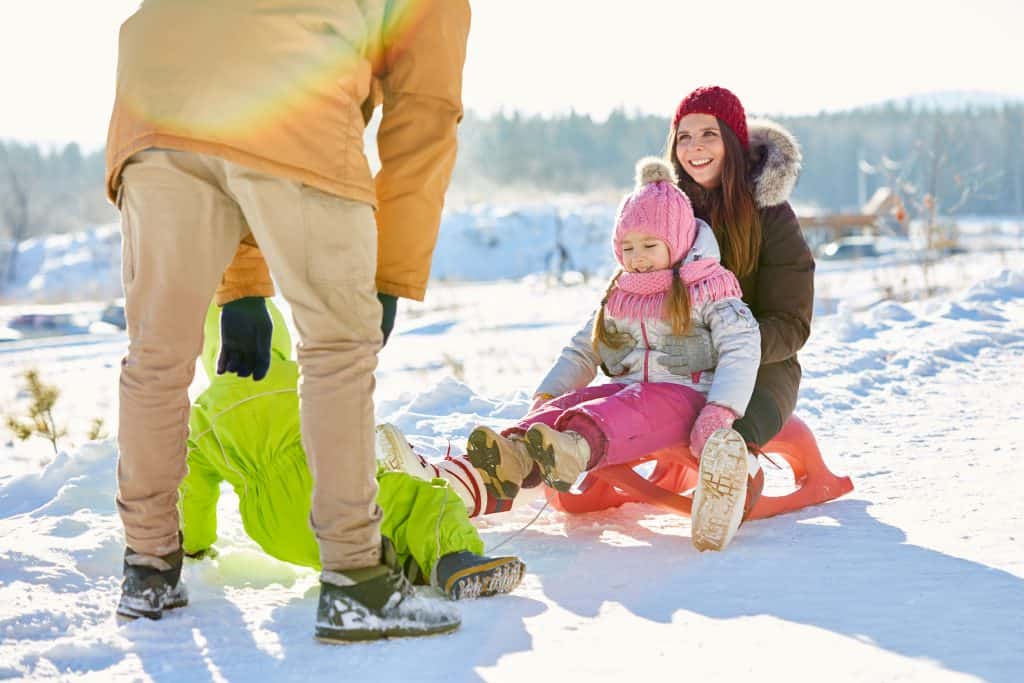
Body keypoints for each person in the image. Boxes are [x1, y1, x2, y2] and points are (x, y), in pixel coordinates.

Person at [107, 0, 471, 641]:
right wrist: (391, 272)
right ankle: (357, 581)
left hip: (155, 98)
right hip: (294, 92)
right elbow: (424, 115)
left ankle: (148, 569)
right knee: (337, 348)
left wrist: (241, 286)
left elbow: (227, 77)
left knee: (157, 354)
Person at [382, 157, 763, 552]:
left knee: (624, 407)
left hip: (685, 396)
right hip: (628, 390)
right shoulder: (621, 293)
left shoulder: (708, 289)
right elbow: (584, 348)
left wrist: (721, 409)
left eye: (649, 245)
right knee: (575, 404)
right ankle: (463, 475)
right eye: (627, 247)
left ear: (679, 242)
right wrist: (549, 396)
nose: (637, 257)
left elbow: (742, 348)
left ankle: (573, 449)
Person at [179, 302, 524, 608]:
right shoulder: (303, 376)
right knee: (425, 502)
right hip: (334, 491)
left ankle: (400, 563)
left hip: (274, 529)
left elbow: (194, 492)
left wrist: (193, 544)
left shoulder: (203, 415)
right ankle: (456, 558)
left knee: (373, 529)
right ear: (275, 335)